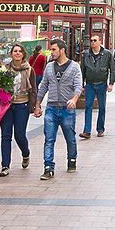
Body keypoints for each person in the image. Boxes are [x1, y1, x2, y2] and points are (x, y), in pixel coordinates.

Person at [32, 37, 82, 180]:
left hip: (67, 109)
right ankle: (48, 168)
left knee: (70, 138)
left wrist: (74, 99)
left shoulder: (74, 66)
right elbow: (43, 87)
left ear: (62, 50)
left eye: (53, 49)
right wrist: (37, 105)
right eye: (50, 49)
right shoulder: (49, 67)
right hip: (51, 108)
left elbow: (78, 85)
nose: (51, 52)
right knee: (49, 139)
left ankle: (72, 161)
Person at [0, 43, 34, 177]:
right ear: (11, 53)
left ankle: (25, 153)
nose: (17, 53)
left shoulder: (29, 69)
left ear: (23, 54)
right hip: (7, 106)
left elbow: (33, 90)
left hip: (22, 105)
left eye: (20, 51)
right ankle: (5, 166)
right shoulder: (5, 69)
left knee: (19, 135)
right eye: (15, 51)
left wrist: (34, 106)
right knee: (6, 136)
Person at [79, 33, 114, 140]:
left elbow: (113, 69)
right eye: (91, 40)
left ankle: (100, 129)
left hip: (102, 83)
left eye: (95, 40)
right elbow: (82, 70)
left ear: (100, 42)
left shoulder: (107, 54)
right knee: (88, 106)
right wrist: (82, 84)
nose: (92, 42)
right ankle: (87, 131)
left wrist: (111, 83)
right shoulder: (86, 54)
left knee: (102, 107)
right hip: (89, 84)